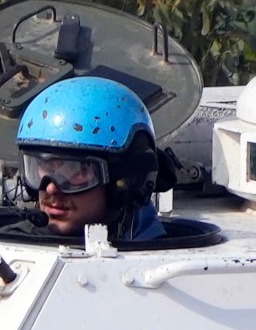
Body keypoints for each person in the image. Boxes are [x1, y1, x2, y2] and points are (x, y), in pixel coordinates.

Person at [15, 75, 170, 244]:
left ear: (126, 183)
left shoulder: (169, 266)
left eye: (75, 171)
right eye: (45, 166)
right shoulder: (8, 246)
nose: (51, 188)